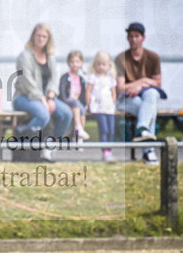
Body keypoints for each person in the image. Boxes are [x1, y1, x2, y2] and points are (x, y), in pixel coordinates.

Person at [13, 23, 73, 162]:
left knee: (66, 114)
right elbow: (26, 81)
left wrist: (50, 97)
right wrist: (42, 99)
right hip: (24, 96)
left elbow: (54, 78)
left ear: (48, 39)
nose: (41, 39)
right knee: (43, 115)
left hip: (46, 97)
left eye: (44, 36)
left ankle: (48, 149)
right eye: (38, 35)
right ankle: (23, 142)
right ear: (33, 36)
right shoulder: (24, 56)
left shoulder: (50, 57)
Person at [114, 22, 163, 164]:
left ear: (143, 38)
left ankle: (142, 129)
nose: (133, 39)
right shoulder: (120, 58)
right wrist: (142, 82)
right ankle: (149, 152)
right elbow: (121, 88)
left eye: (136, 36)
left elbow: (158, 84)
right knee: (149, 109)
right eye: (130, 36)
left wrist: (140, 86)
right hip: (126, 99)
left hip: (145, 96)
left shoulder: (153, 57)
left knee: (152, 94)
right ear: (127, 38)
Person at [86, 51, 118, 162]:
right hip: (98, 107)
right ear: (95, 65)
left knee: (111, 130)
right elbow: (88, 91)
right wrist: (89, 105)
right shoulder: (92, 77)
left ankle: (109, 150)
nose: (101, 67)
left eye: (103, 64)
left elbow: (113, 93)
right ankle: (105, 152)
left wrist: (113, 103)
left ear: (108, 65)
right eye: (98, 64)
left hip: (109, 108)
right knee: (104, 129)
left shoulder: (111, 78)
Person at [58, 49, 89, 143]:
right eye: (72, 62)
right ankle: (78, 128)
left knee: (82, 110)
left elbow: (83, 94)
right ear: (68, 63)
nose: (74, 64)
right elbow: (62, 93)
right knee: (76, 105)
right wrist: (66, 103)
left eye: (77, 62)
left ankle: (78, 137)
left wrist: (84, 105)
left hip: (77, 105)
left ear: (81, 63)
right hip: (67, 102)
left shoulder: (81, 79)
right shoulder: (64, 77)